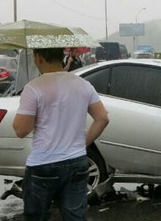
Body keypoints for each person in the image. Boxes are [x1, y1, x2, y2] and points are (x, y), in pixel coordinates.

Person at [12, 48, 109, 220]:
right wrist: (82, 144)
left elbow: (21, 130)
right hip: (77, 161)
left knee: (37, 216)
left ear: (39, 57)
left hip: (43, 165)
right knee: (75, 217)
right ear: (60, 56)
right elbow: (102, 118)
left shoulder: (33, 87)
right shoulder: (83, 84)